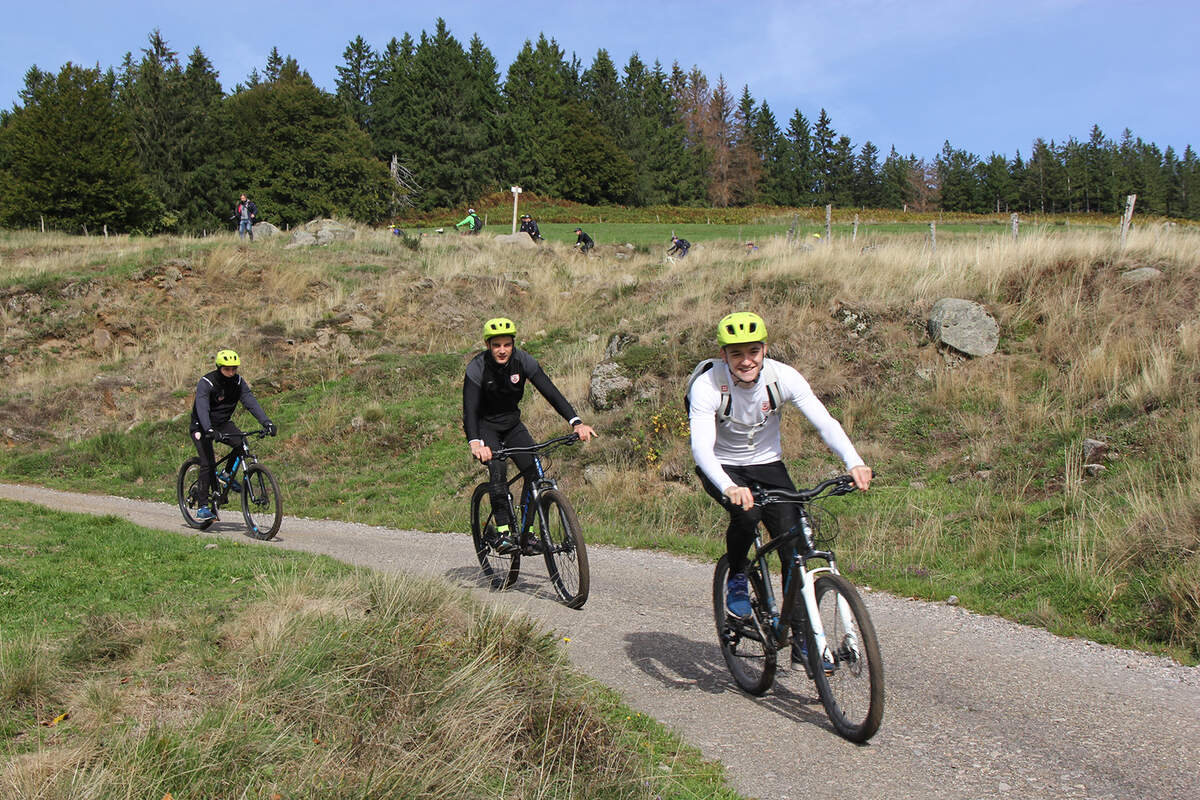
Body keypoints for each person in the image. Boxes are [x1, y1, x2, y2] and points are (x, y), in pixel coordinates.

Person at [687, 312, 871, 668]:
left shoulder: (782, 377)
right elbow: (701, 449)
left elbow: (824, 422)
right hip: (721, 464)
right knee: (747, 513)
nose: (746, 360)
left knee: (795, 544)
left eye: (753, 351)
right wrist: (729, 487)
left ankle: (802, 636)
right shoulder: (707, 386)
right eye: (737, 353)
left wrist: (854, 460)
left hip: (768, 464)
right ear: (724, 355)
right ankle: (738, 575)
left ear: (764, 349)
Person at [463, 317, 597, 554]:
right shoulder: (477, 367)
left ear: (513, 344)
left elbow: (551, 392)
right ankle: (503, 531)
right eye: (496, 345)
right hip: (487, 427)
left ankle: (529, 532)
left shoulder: (523, 361)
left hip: (513, 425)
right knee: (498, 470)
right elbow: (470, 410)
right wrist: (476, 443)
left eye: (507, 344)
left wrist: (576, 422)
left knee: (534, 472)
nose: (502, 350)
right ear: (488, 346)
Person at [189, 349, 277, 520]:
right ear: (219, 367)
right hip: (201, 425)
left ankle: (226, 474)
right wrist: (208, 429)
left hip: (222, 424)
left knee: (241, 443)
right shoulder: (207, 382)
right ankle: (203, 507)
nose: (231, 372)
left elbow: (250, 401)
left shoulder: (238, 382)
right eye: (227, 369)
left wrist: (267, 422)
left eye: (234, 369)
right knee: (207, 463)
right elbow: (202, 407)